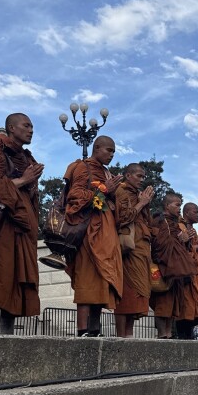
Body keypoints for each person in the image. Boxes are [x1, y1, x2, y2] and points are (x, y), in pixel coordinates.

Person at [0, 113, 43, 335]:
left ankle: (7, 336)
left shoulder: (26, 157)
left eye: (32, 126)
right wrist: (24, 180)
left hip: (22, 230)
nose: (31, 130)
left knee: (15, 281)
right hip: (0, 227)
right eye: (26, 125)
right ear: (11, 128)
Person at [64, 136, 123, 337]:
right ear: (96, 148)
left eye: (114, 151)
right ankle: (82, 330)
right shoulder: (83, 167)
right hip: (89, 232)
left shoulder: (108, 173)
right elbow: (75, 195)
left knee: (101, 282)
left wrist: (113, 194)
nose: (112, 154)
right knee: (87, 281)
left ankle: (95, 329)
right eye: (108, 150)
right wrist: (105, 189)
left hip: (107, 233)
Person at [149, 193, 198, 339]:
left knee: (172, 303)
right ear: (167, 206)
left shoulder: (176, 223)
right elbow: (158, 245)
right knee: (162, 302)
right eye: (177, 205)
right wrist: (179, 239)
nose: (179, 208)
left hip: (176, 268)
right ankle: (162, 335)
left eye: (180, 204)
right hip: (164, 267)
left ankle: (169, 333)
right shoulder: (159, 221)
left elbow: (181, 246)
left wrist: (185, 240)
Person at [114, 163, 155, 338]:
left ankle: (129, 335)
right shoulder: (121, 191)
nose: (141, 179)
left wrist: (145, 204)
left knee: (138, 292)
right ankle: (121, 335)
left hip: (142, 249)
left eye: (143, 177)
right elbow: (123, 218)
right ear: (128, 175)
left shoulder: (136, 195)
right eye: (138, 176)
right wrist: (142, 202)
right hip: (129, 250)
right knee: (128, 292)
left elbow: (148, 223)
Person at [177, 202, 198, 338]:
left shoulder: (193, 230)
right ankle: (182, 336)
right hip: (186, 273)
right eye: (195, 212)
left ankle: (189, 335)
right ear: (186, 213)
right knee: (186, 305)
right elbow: (180, 249)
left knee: (195, 308)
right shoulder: (180, 226)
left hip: (196, 272)